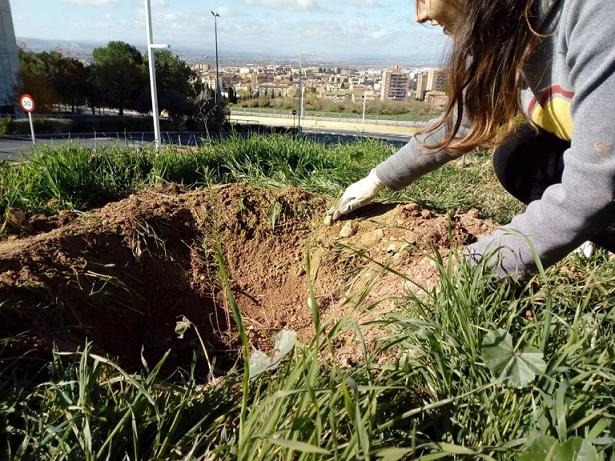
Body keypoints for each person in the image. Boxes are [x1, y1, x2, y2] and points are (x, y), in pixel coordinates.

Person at [329, 0, 615, 279]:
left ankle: (589, 227)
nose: (419, 15)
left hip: (606, 174)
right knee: (517, 157)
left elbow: (594, 185)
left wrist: (469, 267)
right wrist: (377, 178)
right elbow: (463, 122)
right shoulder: (498, 30)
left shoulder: (596, 13)